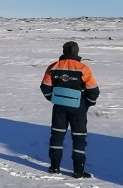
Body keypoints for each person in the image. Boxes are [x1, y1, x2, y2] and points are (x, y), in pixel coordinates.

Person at [40, 41, 100, 178]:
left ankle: (54, 167)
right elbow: (93, 90)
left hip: (59, 108)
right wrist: (87, 103)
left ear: (63, 51)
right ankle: (78, 171)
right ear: (77, 52)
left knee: (57, 136)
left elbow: (45, 87)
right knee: (79, 138)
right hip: (78, 109)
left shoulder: (53, 67)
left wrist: (55, 99)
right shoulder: (83, 68)